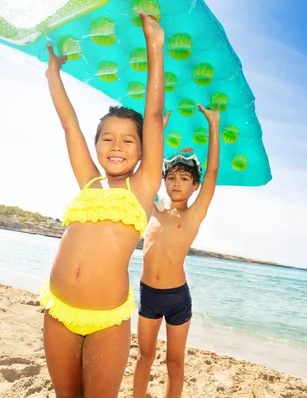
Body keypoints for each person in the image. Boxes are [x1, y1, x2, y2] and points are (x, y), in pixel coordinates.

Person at [39, 11, 165, 397]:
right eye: (107, 138)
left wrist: (154, 46)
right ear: (96, 145)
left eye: (128, 140)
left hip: (107, 320)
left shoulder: (143, 187)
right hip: (58, 309)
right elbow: (69, 124)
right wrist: (53, 74)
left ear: (143, 150)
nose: (116, 146)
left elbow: (156, 117)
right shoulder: (89, 180)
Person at [133, 104, 220, 398]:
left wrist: (213, 124)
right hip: (147, 293)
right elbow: (144, 167)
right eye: (171, 177)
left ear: (194, 185)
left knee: (174, 362)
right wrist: (157, 131)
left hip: (176, 298)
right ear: (164, 182)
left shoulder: (193, 215)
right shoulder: (153, 207)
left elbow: (213, 174)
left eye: (184, 179)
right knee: (144, 356)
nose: (176, 183)